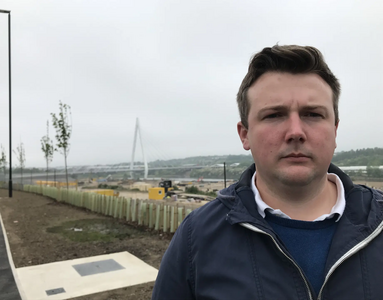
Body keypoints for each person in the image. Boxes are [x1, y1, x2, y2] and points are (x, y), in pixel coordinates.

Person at [152, 45, 383, 300]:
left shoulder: (379, 221)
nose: (296, 131)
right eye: (274, 115)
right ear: (245, 134)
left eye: (313, 114)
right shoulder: (196, 238)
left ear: (335, 130)